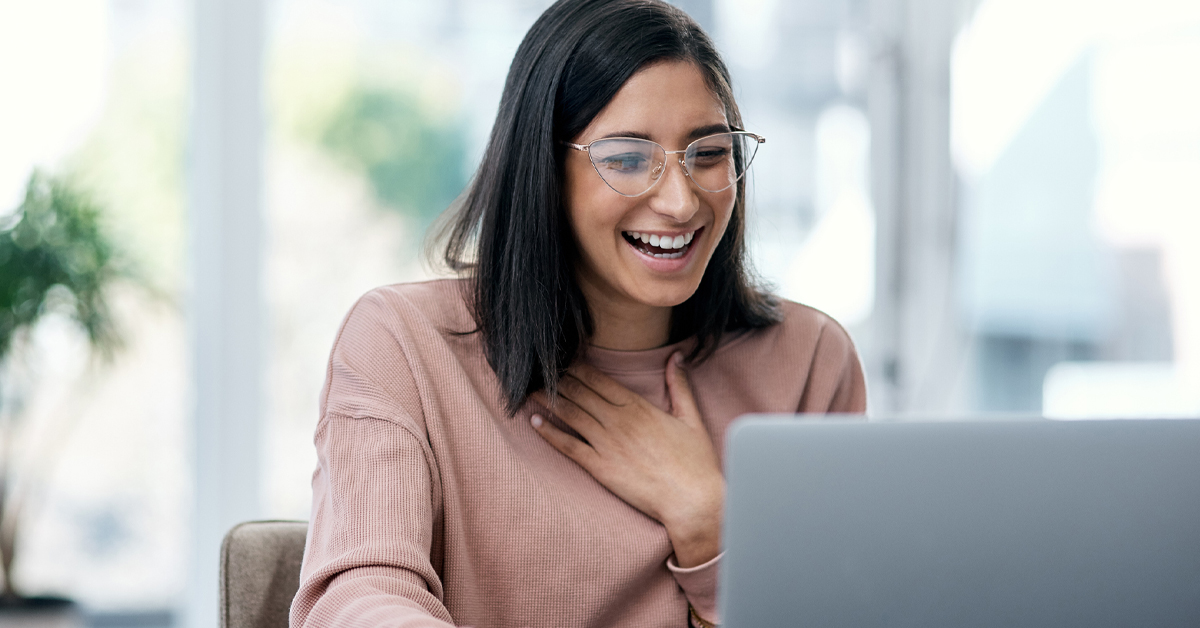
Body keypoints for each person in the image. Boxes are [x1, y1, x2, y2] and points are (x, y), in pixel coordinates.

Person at [290, 0, 867, 626]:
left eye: (708, 154)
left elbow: (841, 611)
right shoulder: (403, 343)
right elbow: (361, 592)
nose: (680, 201)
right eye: (625, 159)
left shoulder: (810, 359)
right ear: (543, 168)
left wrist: (711, 524)